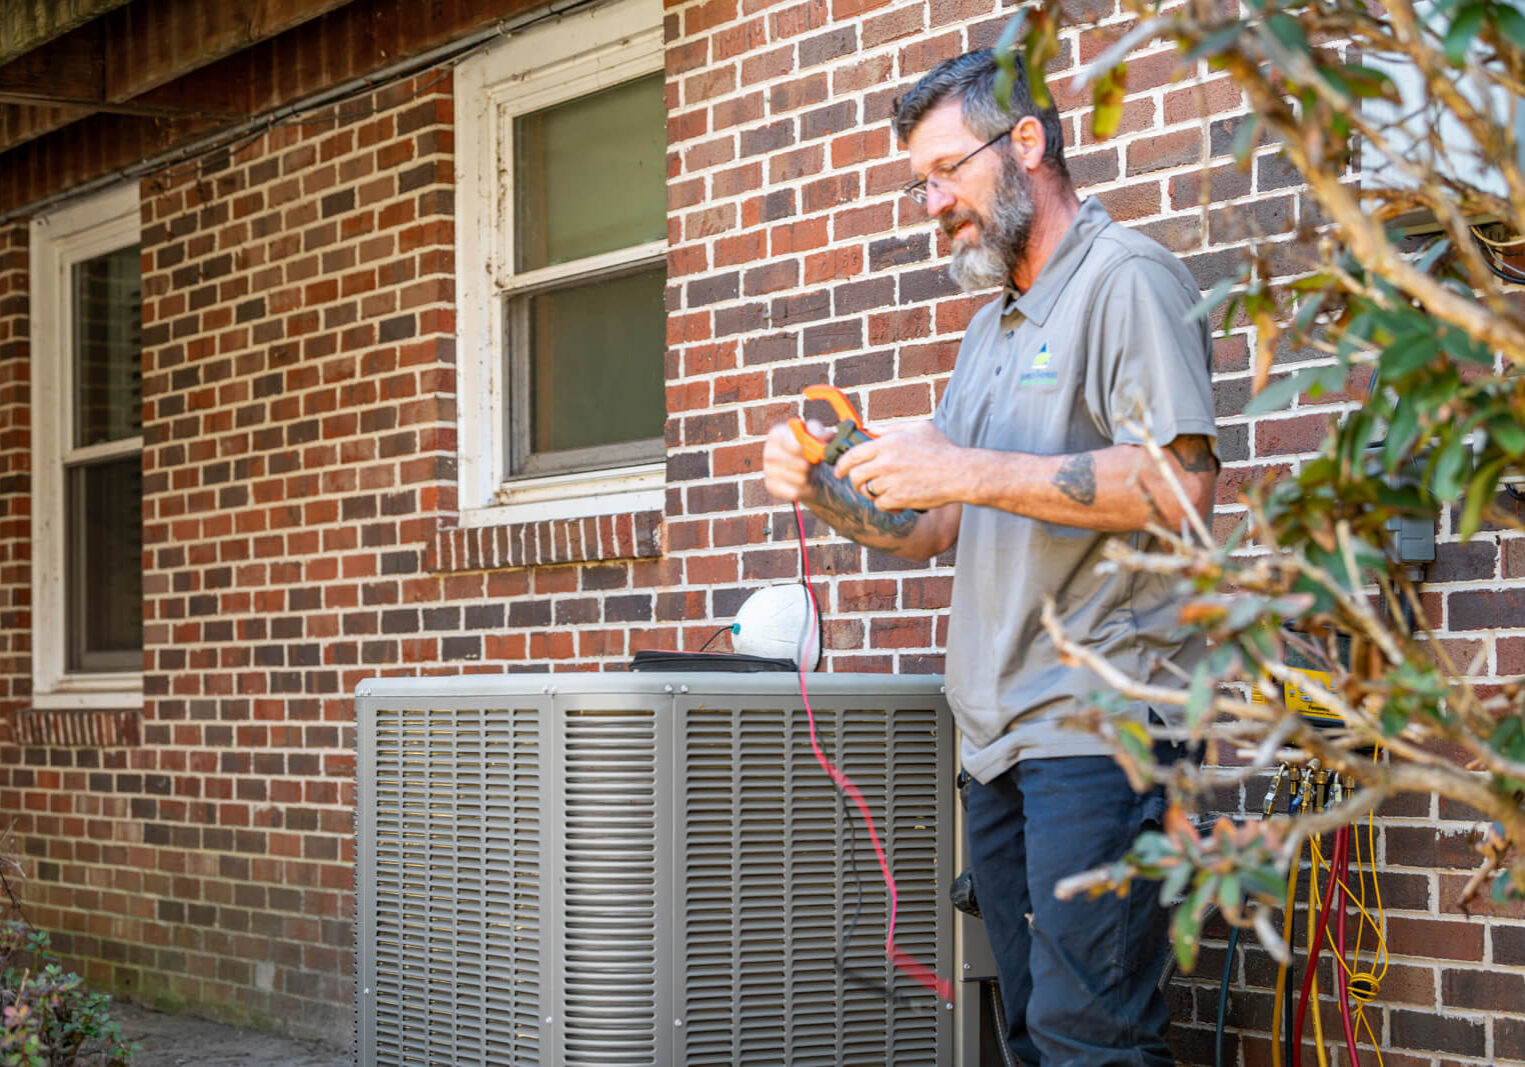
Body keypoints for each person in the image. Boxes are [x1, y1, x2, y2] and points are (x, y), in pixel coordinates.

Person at [762, 48, 1218, 1065]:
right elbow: (932, 520)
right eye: (918, 181)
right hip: (998, 742)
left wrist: (960, 464)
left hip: (1101, 733)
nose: (930, 202)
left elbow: (1178, 486)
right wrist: (824, 490)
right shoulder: (989, 328)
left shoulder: (1125, 277)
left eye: (945, 171)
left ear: (1027, 143)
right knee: (1028, 1035)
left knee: (1087, 1039)